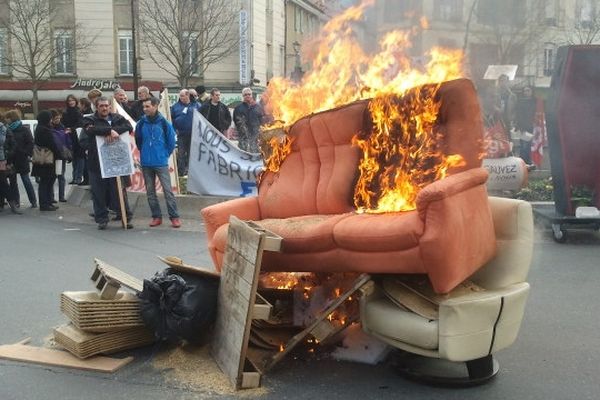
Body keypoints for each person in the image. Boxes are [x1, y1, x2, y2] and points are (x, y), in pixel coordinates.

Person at [82, 96, 134, 230]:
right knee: (98, 193)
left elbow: (128, 126)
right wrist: (108, 131)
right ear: (97, 107)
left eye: (106, 106)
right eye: (101, 106)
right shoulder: (90, 119)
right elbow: (90, 130)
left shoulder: (117, 118)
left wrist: (115, 131)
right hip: (96, 163)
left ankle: (124, 217)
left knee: (118, 192)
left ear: (110, 106)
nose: (104, 108)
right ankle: (102, 219)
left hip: (115, 161)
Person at [135, 96, 182, 228]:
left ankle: (174, 217)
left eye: (148, 106)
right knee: (150, 192)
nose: (145, 109)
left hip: (160, 162)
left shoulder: (164, 123)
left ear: (155, 106)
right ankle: (156, 216)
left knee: (168, 191)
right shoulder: (141, 123)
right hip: (146, 163)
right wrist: (143, 151)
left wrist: (164, 154)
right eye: (144, 107)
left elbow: (171, 141)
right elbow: (138, 140)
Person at [4, 109, 37, 208]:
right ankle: (16, 201)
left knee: (25, 179)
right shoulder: (7, 129)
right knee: (13, 182)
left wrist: (25, 153)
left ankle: (33, 200)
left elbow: (30, 143)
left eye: (8, 118)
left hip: (22, 158)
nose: (6, 120)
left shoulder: (24, 129)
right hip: (11, 159)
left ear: (12, 118)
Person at [31, 111, 60, 211]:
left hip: (41, 159)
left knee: (45, 181)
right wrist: (59, 154)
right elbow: (52, 144)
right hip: (47, 159)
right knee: (46, 182)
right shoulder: (45, 130)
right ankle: (45, 203)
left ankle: (46, 202)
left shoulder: (39, 128)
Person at [171, 89, 199, 176]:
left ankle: (191, 172)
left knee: (192, 154)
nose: (181, 98)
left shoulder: (197, 105)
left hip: (193, 134)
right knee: (181, 153)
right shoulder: (175, 107)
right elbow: (171, 119)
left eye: (183, 96)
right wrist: (175, 130)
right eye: (180, 96)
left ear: (188, 96)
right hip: (181, 134)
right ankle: (181, 171)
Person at [0, 114, 22, 214]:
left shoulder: (3, 129)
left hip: (2, 159)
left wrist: (8, 157)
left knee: (3, 182)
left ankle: (13, 204)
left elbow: (10, 144)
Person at [50, 109, 72, 202]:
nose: (58, 120)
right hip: (52, 155)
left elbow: (67, 141)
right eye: (56, 118)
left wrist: (69, 152)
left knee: (61, 176)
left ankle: (61, 196)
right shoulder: (50, 128)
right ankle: (51, 197)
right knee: (52, 176)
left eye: (59, 118)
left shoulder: (62, 127)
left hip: (61, 155)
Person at [233, 87, 265, 153]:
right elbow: (236, 121)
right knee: (242, 155)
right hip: (243, 137)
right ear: (243, 96)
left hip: (256, 136)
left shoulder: (257, 107)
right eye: (245, 94)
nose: (247, 96)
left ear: (251, 95)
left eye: (249, 94)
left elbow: (262, 121)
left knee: (255, 155)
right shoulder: (238, 108)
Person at [62, 94, 84, 184]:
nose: (71, 102)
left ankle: (78, 177)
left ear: (75, 101)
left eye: (72, 100)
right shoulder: (65, 112)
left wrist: (71, 129)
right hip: (69, 137)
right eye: (69, 101)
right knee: (74, 158)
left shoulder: (78, 112)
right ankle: (74, 177)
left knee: (80, 157)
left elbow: (80, 124)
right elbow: (63, 123)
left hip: (78, 136)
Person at [514, 86, 537, 166]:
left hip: (532, 126)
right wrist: (520, 126)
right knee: (524, 145)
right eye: (525, 91)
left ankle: (528, 161)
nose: (526, 92)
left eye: (528, 90)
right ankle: (523, 162)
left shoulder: (534, 101)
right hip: (524, 126)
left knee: (529, 145)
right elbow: (518, 115)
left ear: (532, 91)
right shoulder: (520, 102)